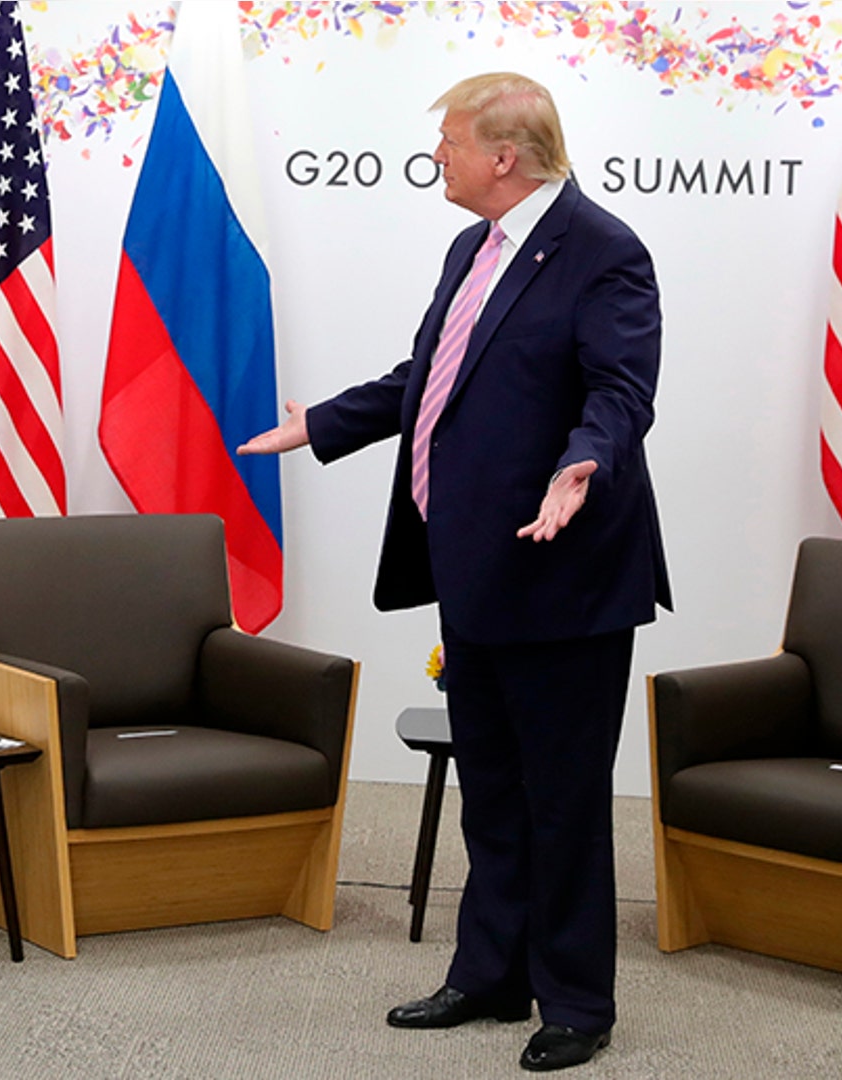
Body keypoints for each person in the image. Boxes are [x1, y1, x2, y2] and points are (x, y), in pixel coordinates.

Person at [239, 72, 668, 1072]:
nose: (437, 155)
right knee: (492, 791)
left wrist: (581, 464)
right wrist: (320, 425)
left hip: (562, 578)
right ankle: (488, 974)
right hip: (472, 572)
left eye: (448, 142)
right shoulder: (469, 248)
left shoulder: (605, 253)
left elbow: (619, 391)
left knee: (560, 798)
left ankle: (575, 1001)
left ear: (503, 156)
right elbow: (425, 378)